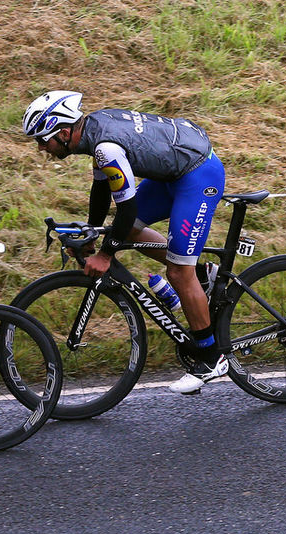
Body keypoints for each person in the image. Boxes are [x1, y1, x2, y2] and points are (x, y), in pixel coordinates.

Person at [23, 91, 226, 393]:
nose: (42, 148)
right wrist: (92, 233)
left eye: (44, 140)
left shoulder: (105, 148)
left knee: (176, 272)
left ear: (64, 133)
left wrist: (105, 255)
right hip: (171, 169)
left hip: (198, 175)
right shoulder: (94, 129)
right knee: (128, 231)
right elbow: (101, 190)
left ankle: (212, 358)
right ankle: (202, 276)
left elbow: (126, 209)